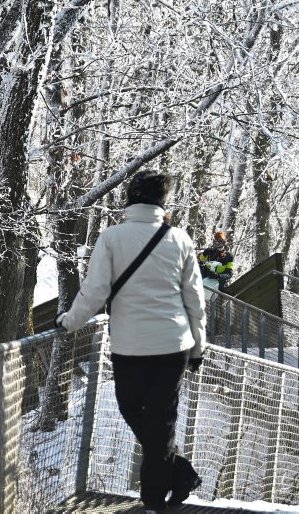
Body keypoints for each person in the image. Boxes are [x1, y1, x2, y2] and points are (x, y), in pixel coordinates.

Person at [56, 170, 206, 513]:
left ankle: (154, 498)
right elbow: (194, 299)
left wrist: (69, 322)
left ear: (130, 199)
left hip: (129, 346)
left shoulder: (112, 237)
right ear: (162, 202)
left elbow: (95, 290)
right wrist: (198, 346)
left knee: (133, 408)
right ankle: (178, 474)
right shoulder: (179, 238)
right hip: (174, 343)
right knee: (161, 418)